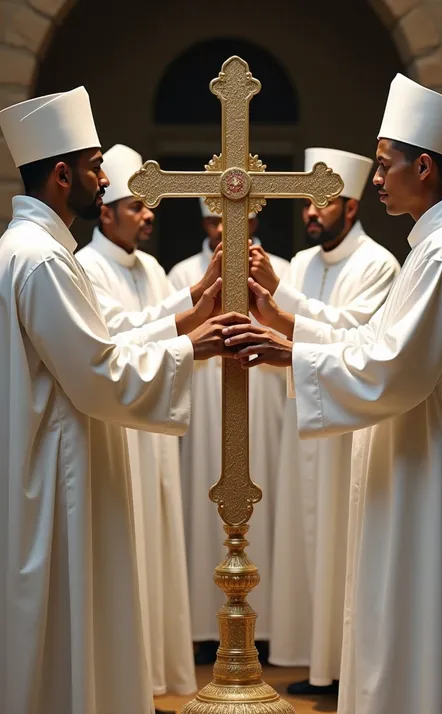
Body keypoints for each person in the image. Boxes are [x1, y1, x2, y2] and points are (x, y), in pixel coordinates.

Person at [223, 74, 442, 714]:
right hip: (405, 453)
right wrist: (293, 340)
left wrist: (291, 353)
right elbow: (374, 342)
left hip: (425, 463)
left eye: (385, 165)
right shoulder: (430, 250)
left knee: (412, 614)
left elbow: (395, 365)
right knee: (392, 613)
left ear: (425, 165)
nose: (378, 179)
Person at [0, 88, 248, 714]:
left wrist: (182, 321)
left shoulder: (27, 249)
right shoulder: (43, 260)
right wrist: (194, 348)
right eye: (93, 166)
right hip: (59, 471)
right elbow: (99, 371)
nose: (105, 178)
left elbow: (102, 341)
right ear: (63, 176)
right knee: (68, 622)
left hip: (46, 459)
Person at [248, 148, 399, 694]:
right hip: (303, 419)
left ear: (352, 207)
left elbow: (357, 335)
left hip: (347, 424)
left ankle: (343, 668)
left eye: (324, 203)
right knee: (306, 543)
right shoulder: (308, 262)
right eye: (308, 205)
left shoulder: (379, 264)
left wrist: (281, 295)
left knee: (341, 541)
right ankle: (316, 663)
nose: (312, 214)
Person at [77, 144, 223, 699]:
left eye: (149, 206)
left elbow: (170, 326)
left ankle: (155, 679)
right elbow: (119, 337)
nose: (149, 214)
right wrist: (193, 299)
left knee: (157, 547)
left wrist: (203, 294)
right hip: (118, 431)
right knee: (126, 554)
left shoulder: (151, 267)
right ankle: (123, 686)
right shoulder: (87, 268)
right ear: (106, 210)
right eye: (136, 205)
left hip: (152, 438)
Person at [168, 199, 289, 664]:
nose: (226, 225)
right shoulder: (182, 273)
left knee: (263, 500)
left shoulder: (275, 271)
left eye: (236, 216)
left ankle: (262, 628)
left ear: (254, 219)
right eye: (216, 217)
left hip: (262, 401)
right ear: (204, 221)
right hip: (202, 403)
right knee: (201, 504)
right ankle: (204, 627)